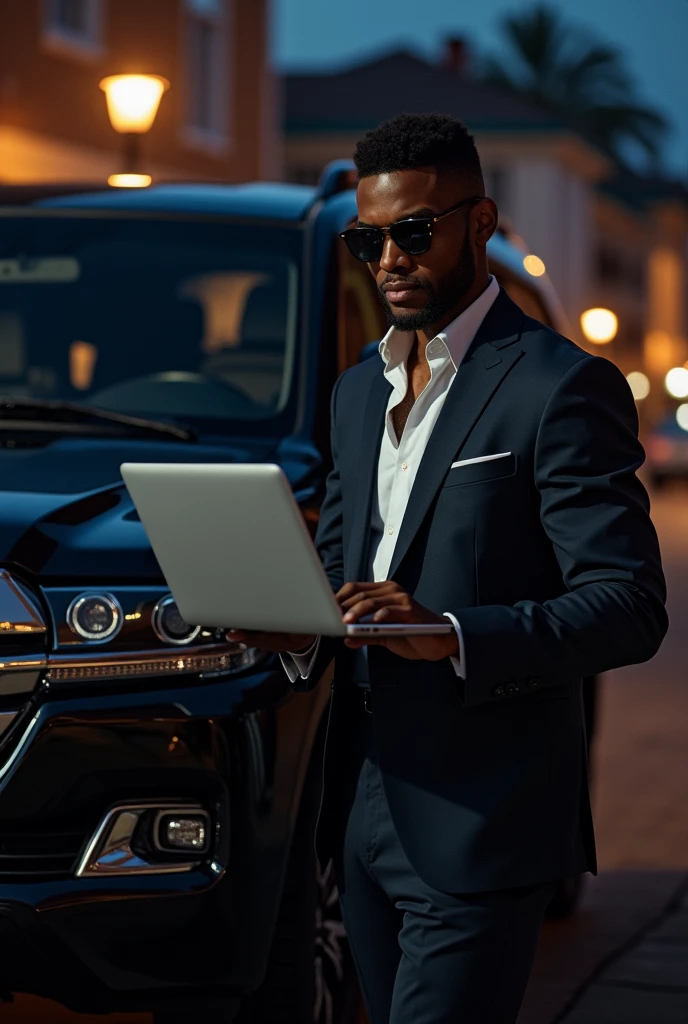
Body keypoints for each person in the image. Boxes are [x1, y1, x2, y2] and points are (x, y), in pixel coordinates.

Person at [228, 113, 667, 1023]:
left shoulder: (560, 385)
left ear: (481, 223)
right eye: (369, 238)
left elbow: (627, 605)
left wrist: (451, 634)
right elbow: (339, 575)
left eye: (414, 232)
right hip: (361, 813)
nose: (388, 258)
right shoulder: (358, 392)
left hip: (485, 818)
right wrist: (289, 623)